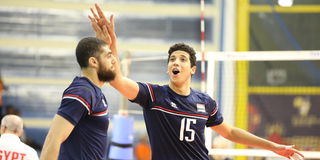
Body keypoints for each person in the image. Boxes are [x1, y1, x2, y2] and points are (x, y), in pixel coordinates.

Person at [89, 4, 304, 160]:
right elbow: (115, 79)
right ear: (168, 68)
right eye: (172, 59)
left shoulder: (205, 102)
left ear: (192, 69)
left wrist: (271, 146)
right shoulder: (154, 95)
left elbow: (229, 132)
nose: (176, 62)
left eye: (182, 59)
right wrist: (109, 46)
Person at [40, 37, 116, 160]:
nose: (114, 61)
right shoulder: (82, 92)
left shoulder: (93, 91)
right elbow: (53, 138)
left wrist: (111, 41)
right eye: (108, 56)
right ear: (94, 62)